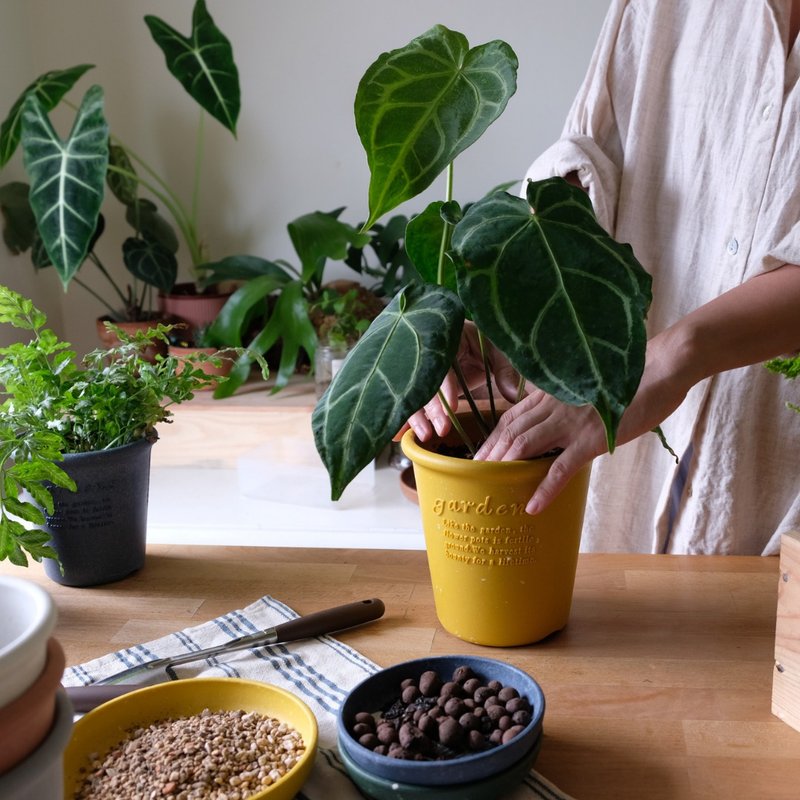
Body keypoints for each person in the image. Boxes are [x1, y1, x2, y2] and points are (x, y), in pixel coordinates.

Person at [403, 0, 800, 556]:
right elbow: (592, 159)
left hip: (778, 509)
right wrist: (520, 325)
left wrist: (659, 364)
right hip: (621, 501)